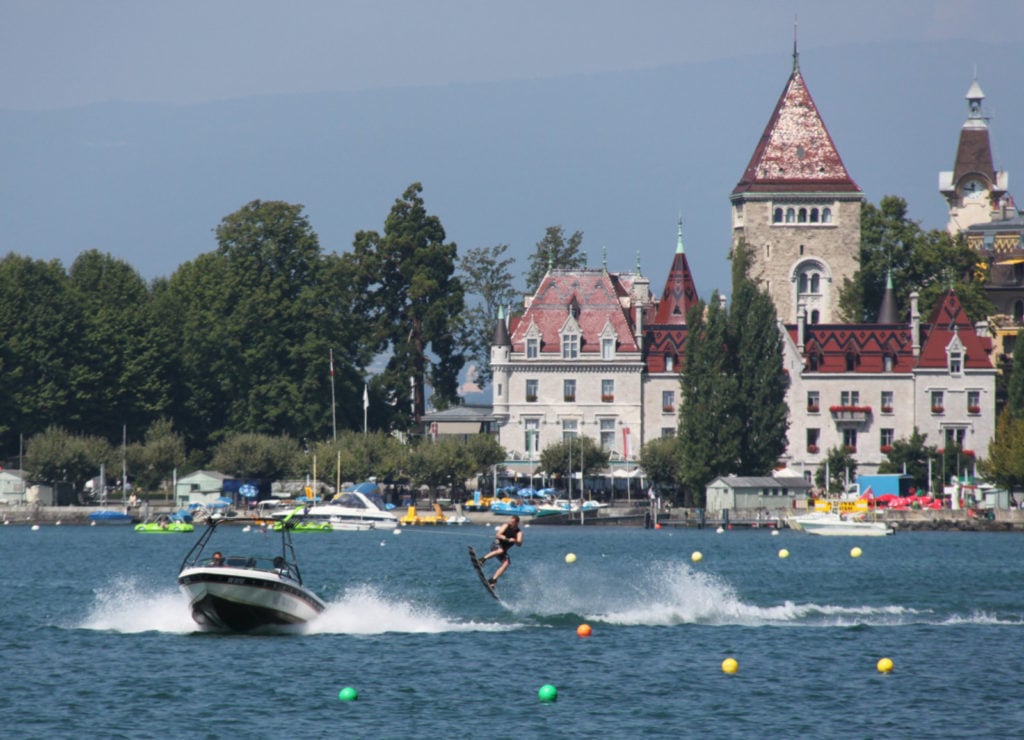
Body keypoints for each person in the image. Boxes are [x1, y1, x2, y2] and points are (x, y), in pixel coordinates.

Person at [478, 515, 523, 586]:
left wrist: (515, 540)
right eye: (511, 521)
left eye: (513, 522)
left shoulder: (519, 532)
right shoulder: (506, 526)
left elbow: (519, 544)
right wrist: (506, 539)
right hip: (496, 545)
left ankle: (493, 580)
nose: (511, 523)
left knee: (507, 563)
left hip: (503, 550)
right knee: (500, 550)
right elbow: (498, 534)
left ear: (517, 523)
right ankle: (481, 560)